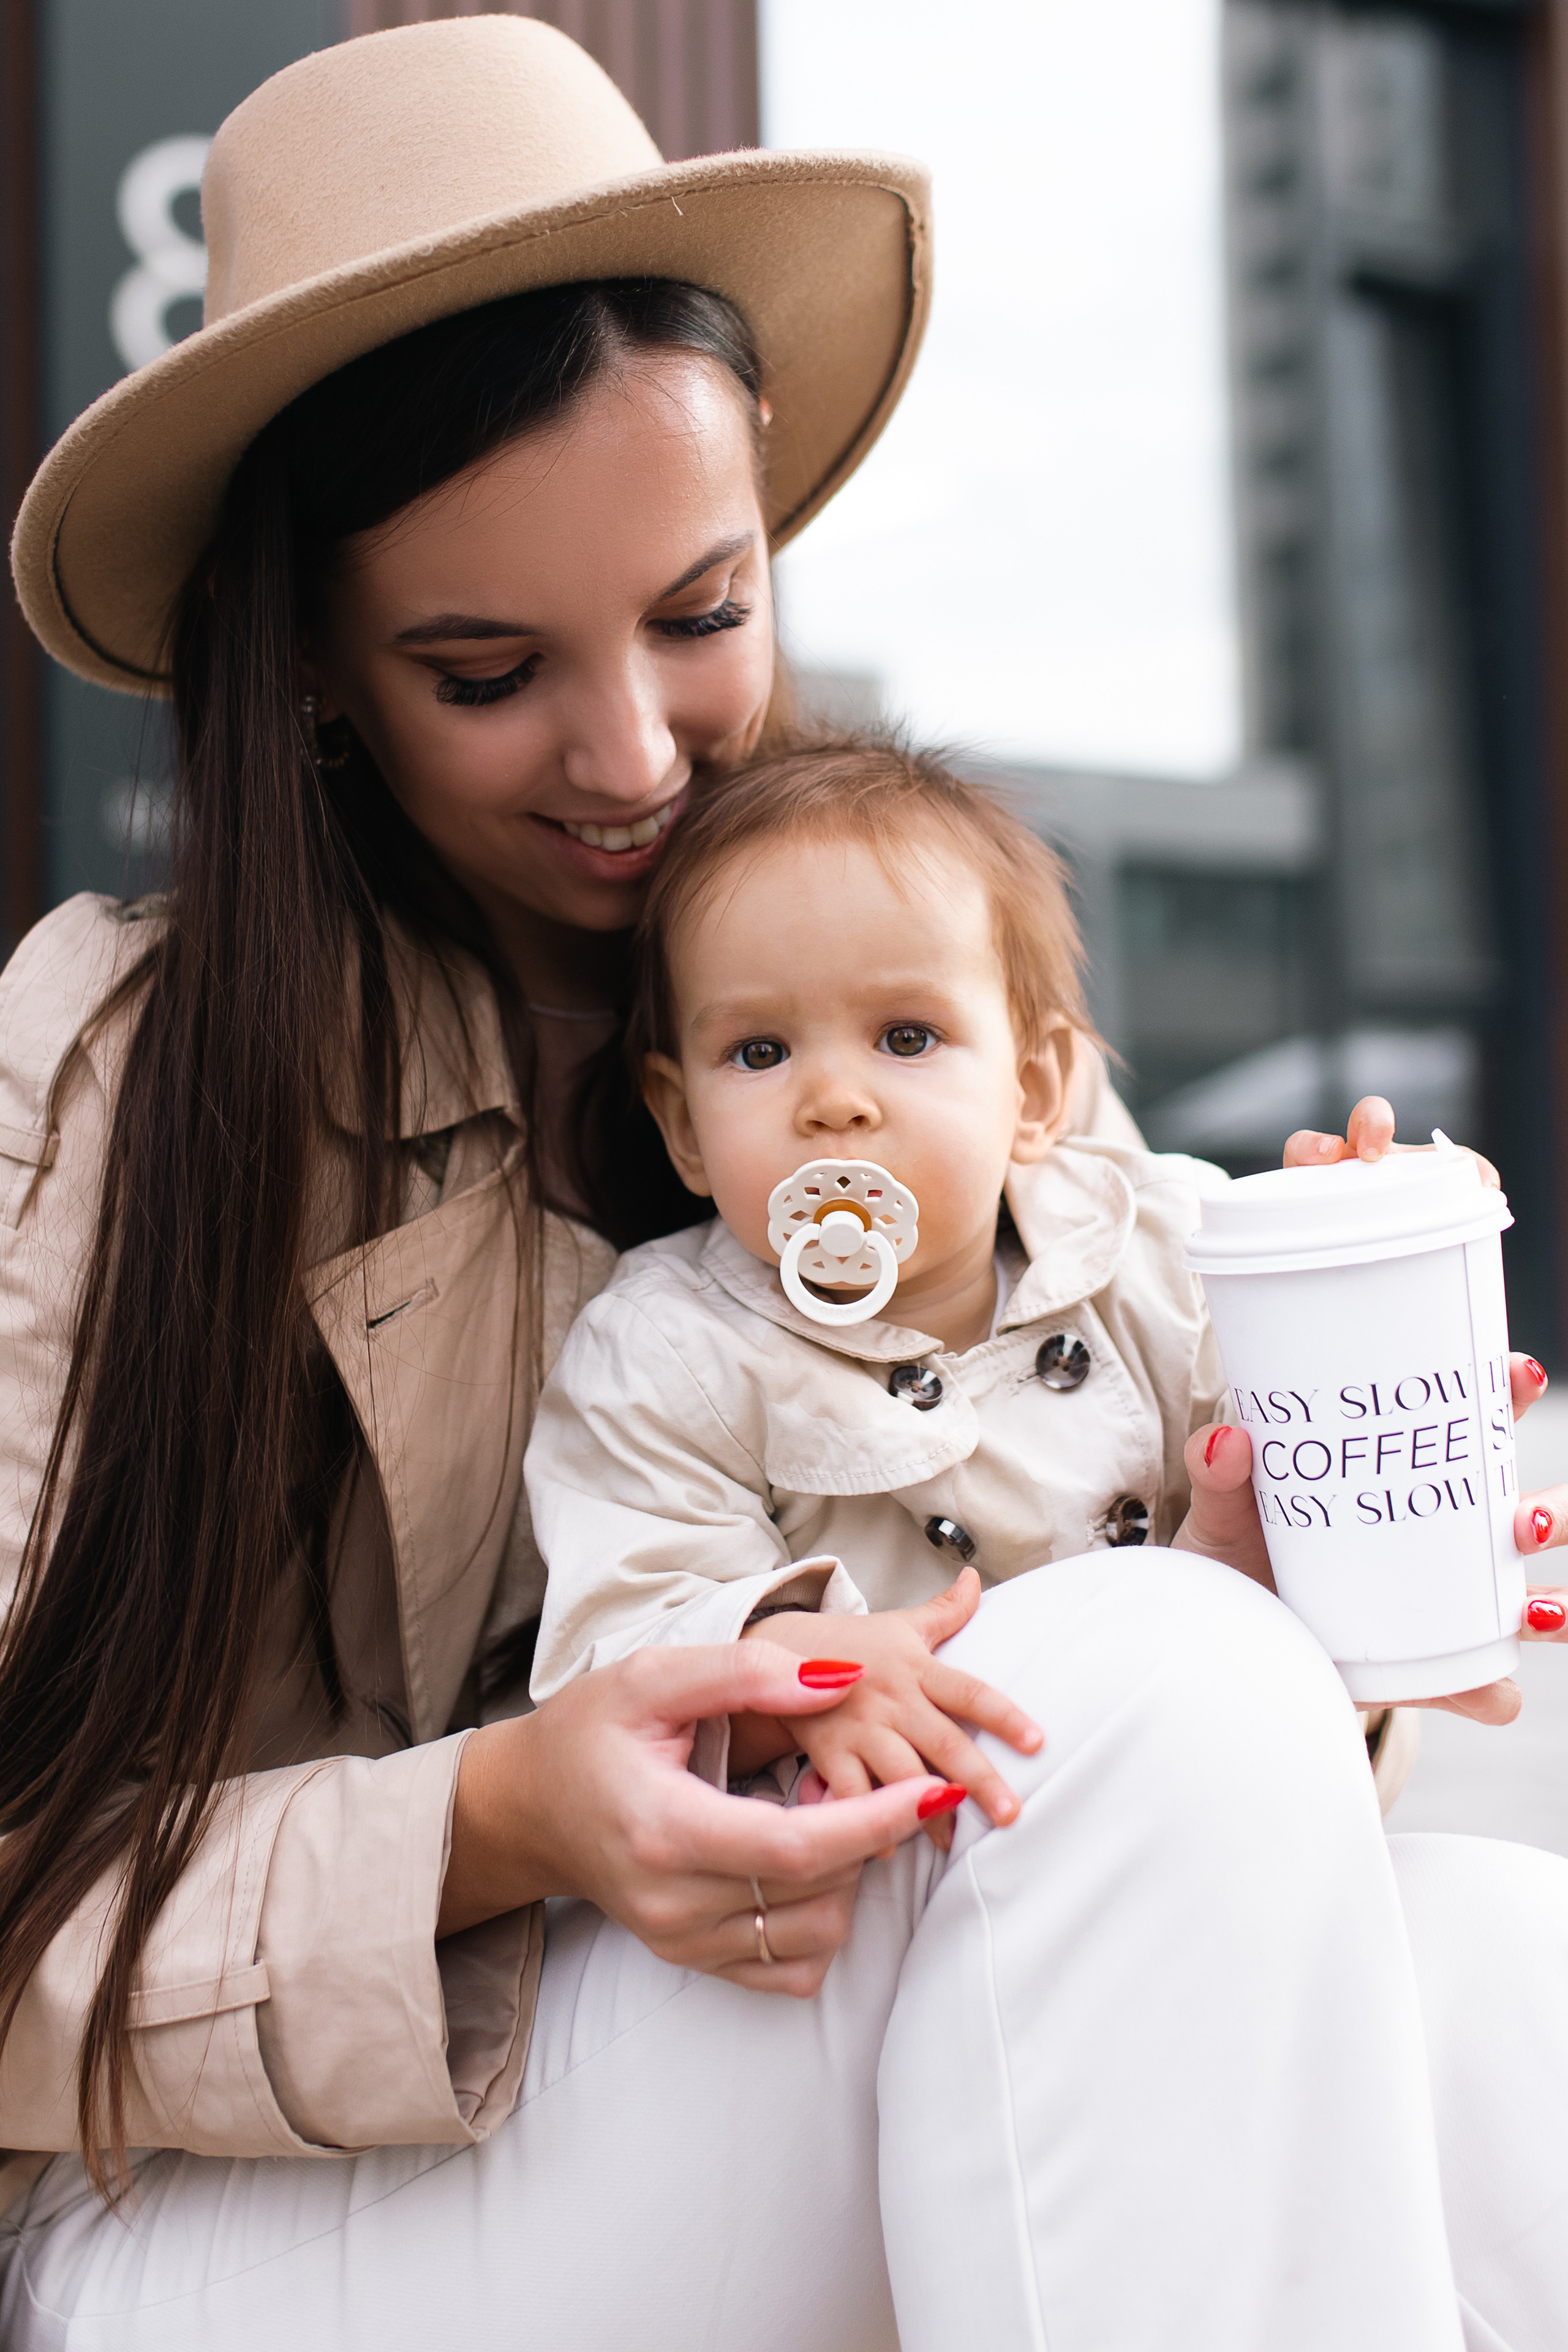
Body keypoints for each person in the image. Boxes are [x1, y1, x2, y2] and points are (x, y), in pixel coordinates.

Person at [3, 18, 1568, 2348]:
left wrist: (1264, 1551)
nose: (632, 753)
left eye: (703, 614)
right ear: (314, 668)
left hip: (769, 2025)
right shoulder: (124, 1072)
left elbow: (1176, 1762)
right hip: (236, 2207)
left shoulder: (917, 954)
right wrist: (506, 1818)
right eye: (484, 666)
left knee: (1492, 1980)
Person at [526, 735, 1416, 1819]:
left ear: (1034, 1090)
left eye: (906, 1035)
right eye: (760, 1053)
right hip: (893, 1881)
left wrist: (1359, 1288)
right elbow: (624, 1637)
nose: (834, 1101)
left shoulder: (1168, 1251)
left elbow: (1334, 1485)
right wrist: (800, 1677)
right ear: (685, 1128)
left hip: (1184, 1804)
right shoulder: (665, 1351)